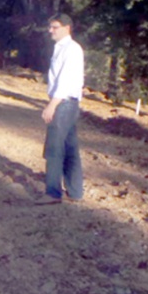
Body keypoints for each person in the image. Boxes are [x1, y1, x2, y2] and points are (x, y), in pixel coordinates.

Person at [37, 14, 85, 205]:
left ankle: (52, 193)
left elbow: (65, 80)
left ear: (67, 28)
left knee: (54, 149)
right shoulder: (62, 48)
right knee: (70, 148)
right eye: (50, 27)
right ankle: (75, 192)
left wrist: (52, 105)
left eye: (54, 27)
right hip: (67, 104)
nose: (50, 30)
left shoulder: (71, 49)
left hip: (64, 103)